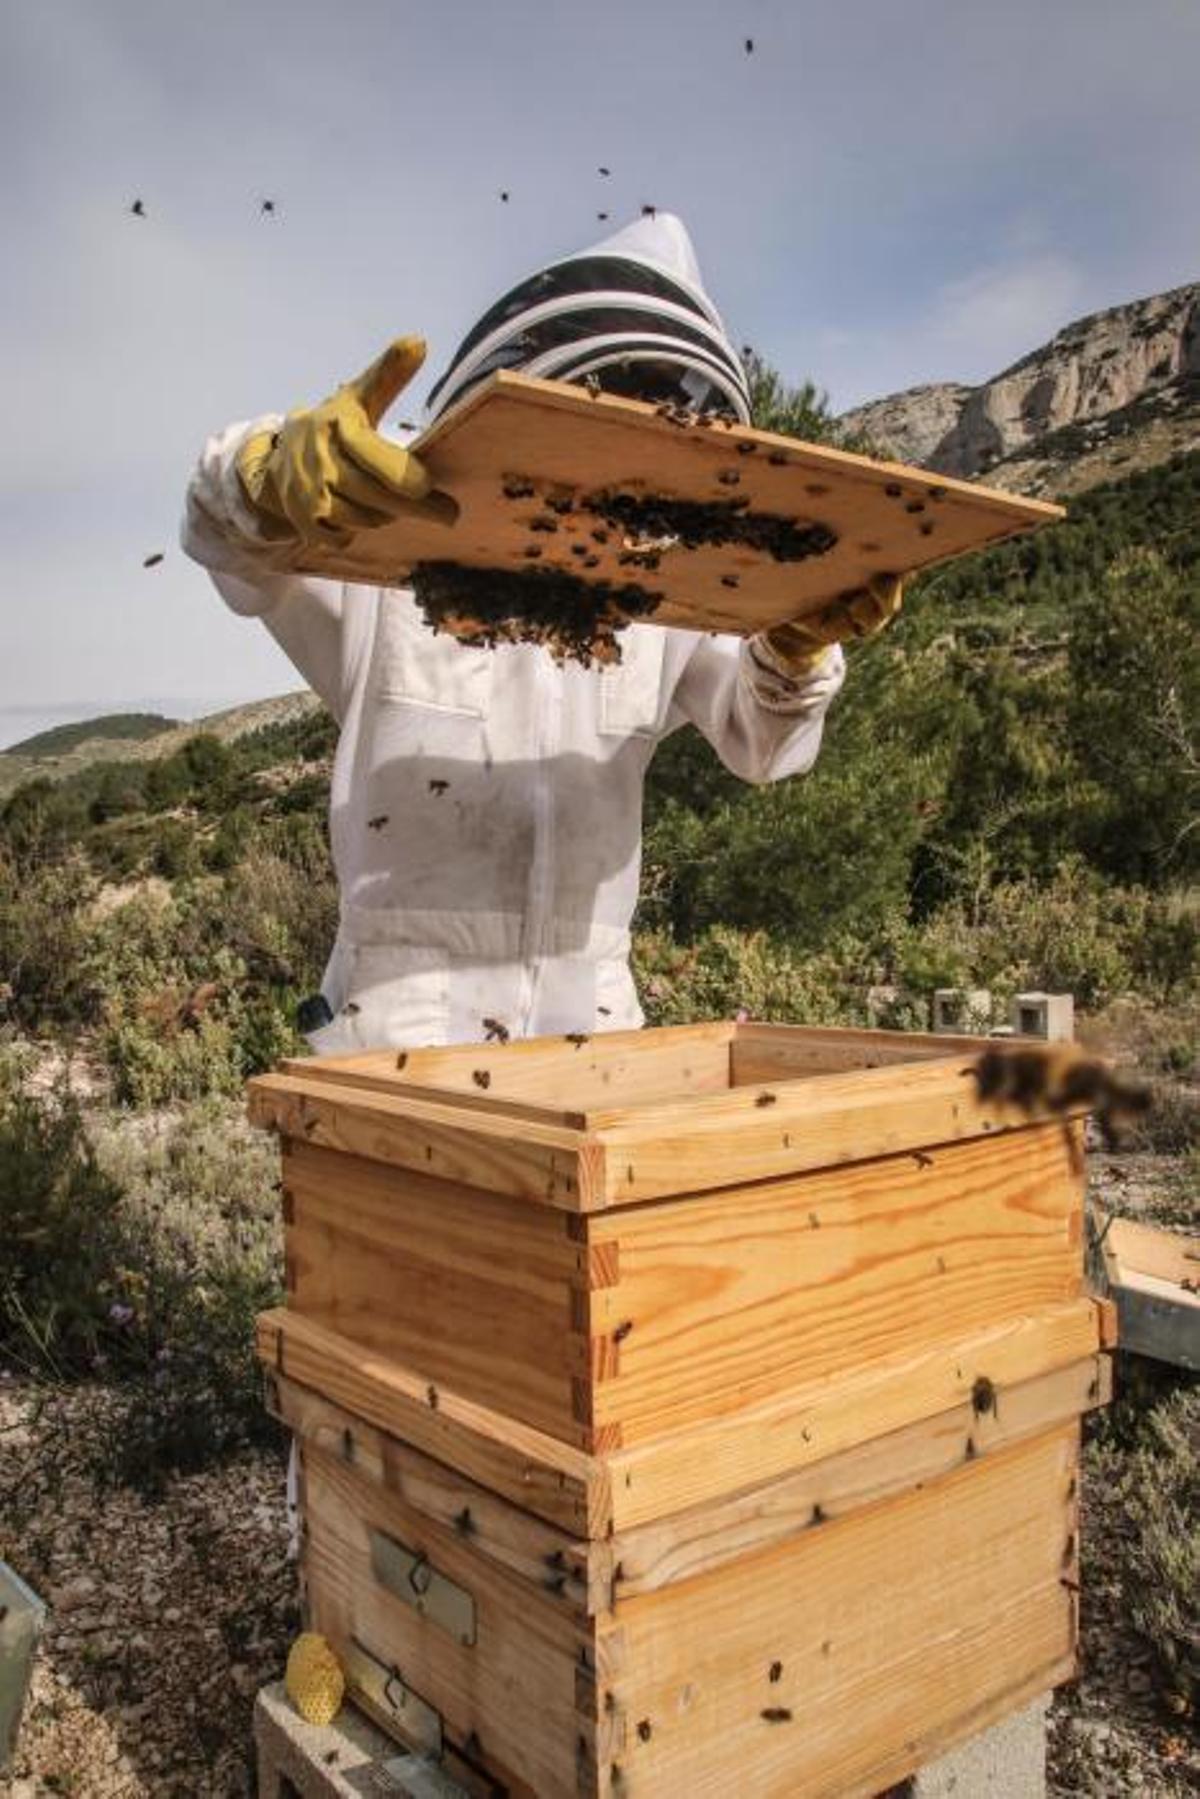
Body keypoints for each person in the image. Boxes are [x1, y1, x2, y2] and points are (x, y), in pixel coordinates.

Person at [182, 212, 901, 1057]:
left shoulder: (657, 582)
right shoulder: (397, 527)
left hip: (593, 1020)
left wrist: (793, 648)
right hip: (395, 1023)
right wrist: (264, 472)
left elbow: (763, 742)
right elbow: (231, 541)